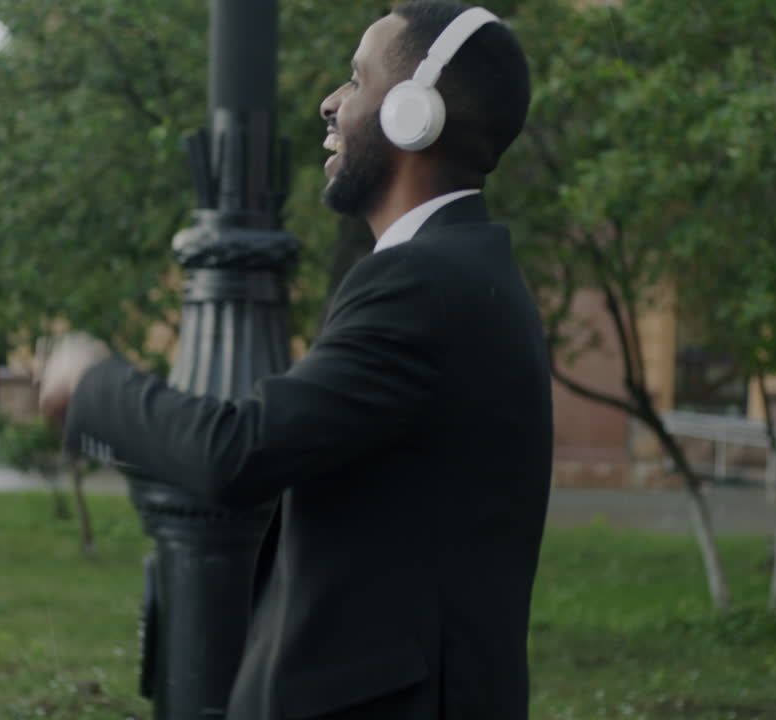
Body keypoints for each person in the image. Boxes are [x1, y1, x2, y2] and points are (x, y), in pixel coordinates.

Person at [39, 3, 552, 718]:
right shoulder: (464, 273)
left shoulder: (420, 284)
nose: (330, 102)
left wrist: (93, 382)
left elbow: (238, 453)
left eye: (356, 79)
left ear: (413, 113)